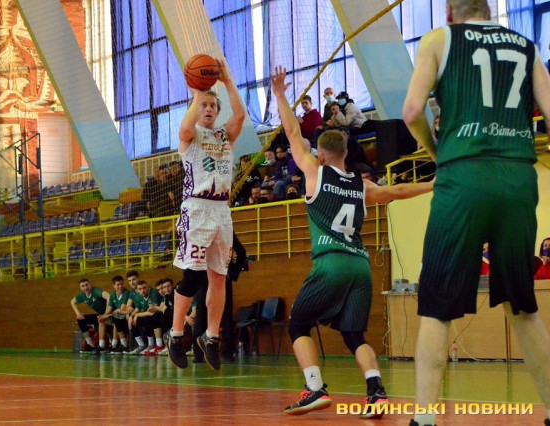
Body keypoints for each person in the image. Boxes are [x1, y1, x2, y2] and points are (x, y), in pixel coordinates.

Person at [402, 1, 550, 425]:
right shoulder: (527, 46)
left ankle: (424, 419)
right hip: (517, 178)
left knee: (436, 306)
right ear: (487, 9)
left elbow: (411, 112)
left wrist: (438, 152)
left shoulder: (439, 39)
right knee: (522, 306)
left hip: (462, 176)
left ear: (450, 11)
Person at [271, 66, 434, 417]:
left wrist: (281, 94)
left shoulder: (314, 172)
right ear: (346, 154)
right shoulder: (363, 186)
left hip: (331, 263)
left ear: (321, 155)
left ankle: (315, 388)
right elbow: (398, 191)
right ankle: (376, 393)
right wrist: (435, 184)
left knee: (298, 325)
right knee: (354, 335)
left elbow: (291, 131)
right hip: (360, 265)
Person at [167, 57, 245, 371]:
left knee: (219, 277)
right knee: (194, 275)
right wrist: (198, 92)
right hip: (197, 208)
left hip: (222, 211)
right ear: (197, 109)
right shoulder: (191, 136)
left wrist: (227, 80)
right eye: (205, 106)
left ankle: (211, 336)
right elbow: (185, 127)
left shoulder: (224, 136)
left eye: (213, 106)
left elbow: (240, 115)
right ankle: (175, 335)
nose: (209, 109)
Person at [192, 232, 247, 363]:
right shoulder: (201, 231)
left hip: (220, 277)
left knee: (224, 316)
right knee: (202, 316)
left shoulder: (225, 231)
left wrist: (233, 273)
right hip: (205, 278)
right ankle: (200, 353)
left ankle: (226, 353)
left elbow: (242, 252)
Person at [70, 278, 110, 354]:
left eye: (87, 285)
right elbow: (72, 302)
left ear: (90, 285)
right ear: (80, 288)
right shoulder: (83, 295)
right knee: (81, 319)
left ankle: (102, 346)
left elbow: (108, 296)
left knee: (101, 319)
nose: (85, 287)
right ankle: (91, 345)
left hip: (108, 314)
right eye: (83, 286)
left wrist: (106, 313)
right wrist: (78, 314)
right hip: (100, 315)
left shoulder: (95, 291)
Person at [99, 275, 133, 354]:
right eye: (118, 284)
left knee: (116, 319)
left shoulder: (126, 293)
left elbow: (122, 309)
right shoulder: (112, 295)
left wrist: (107, 315)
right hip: (117, 316)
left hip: (124, 317)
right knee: (101, 321)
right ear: (114, 286)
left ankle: (114, 345)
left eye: (122, 284)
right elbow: (109, 309)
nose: (120, 286)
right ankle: (101, 345)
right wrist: (103, 316)